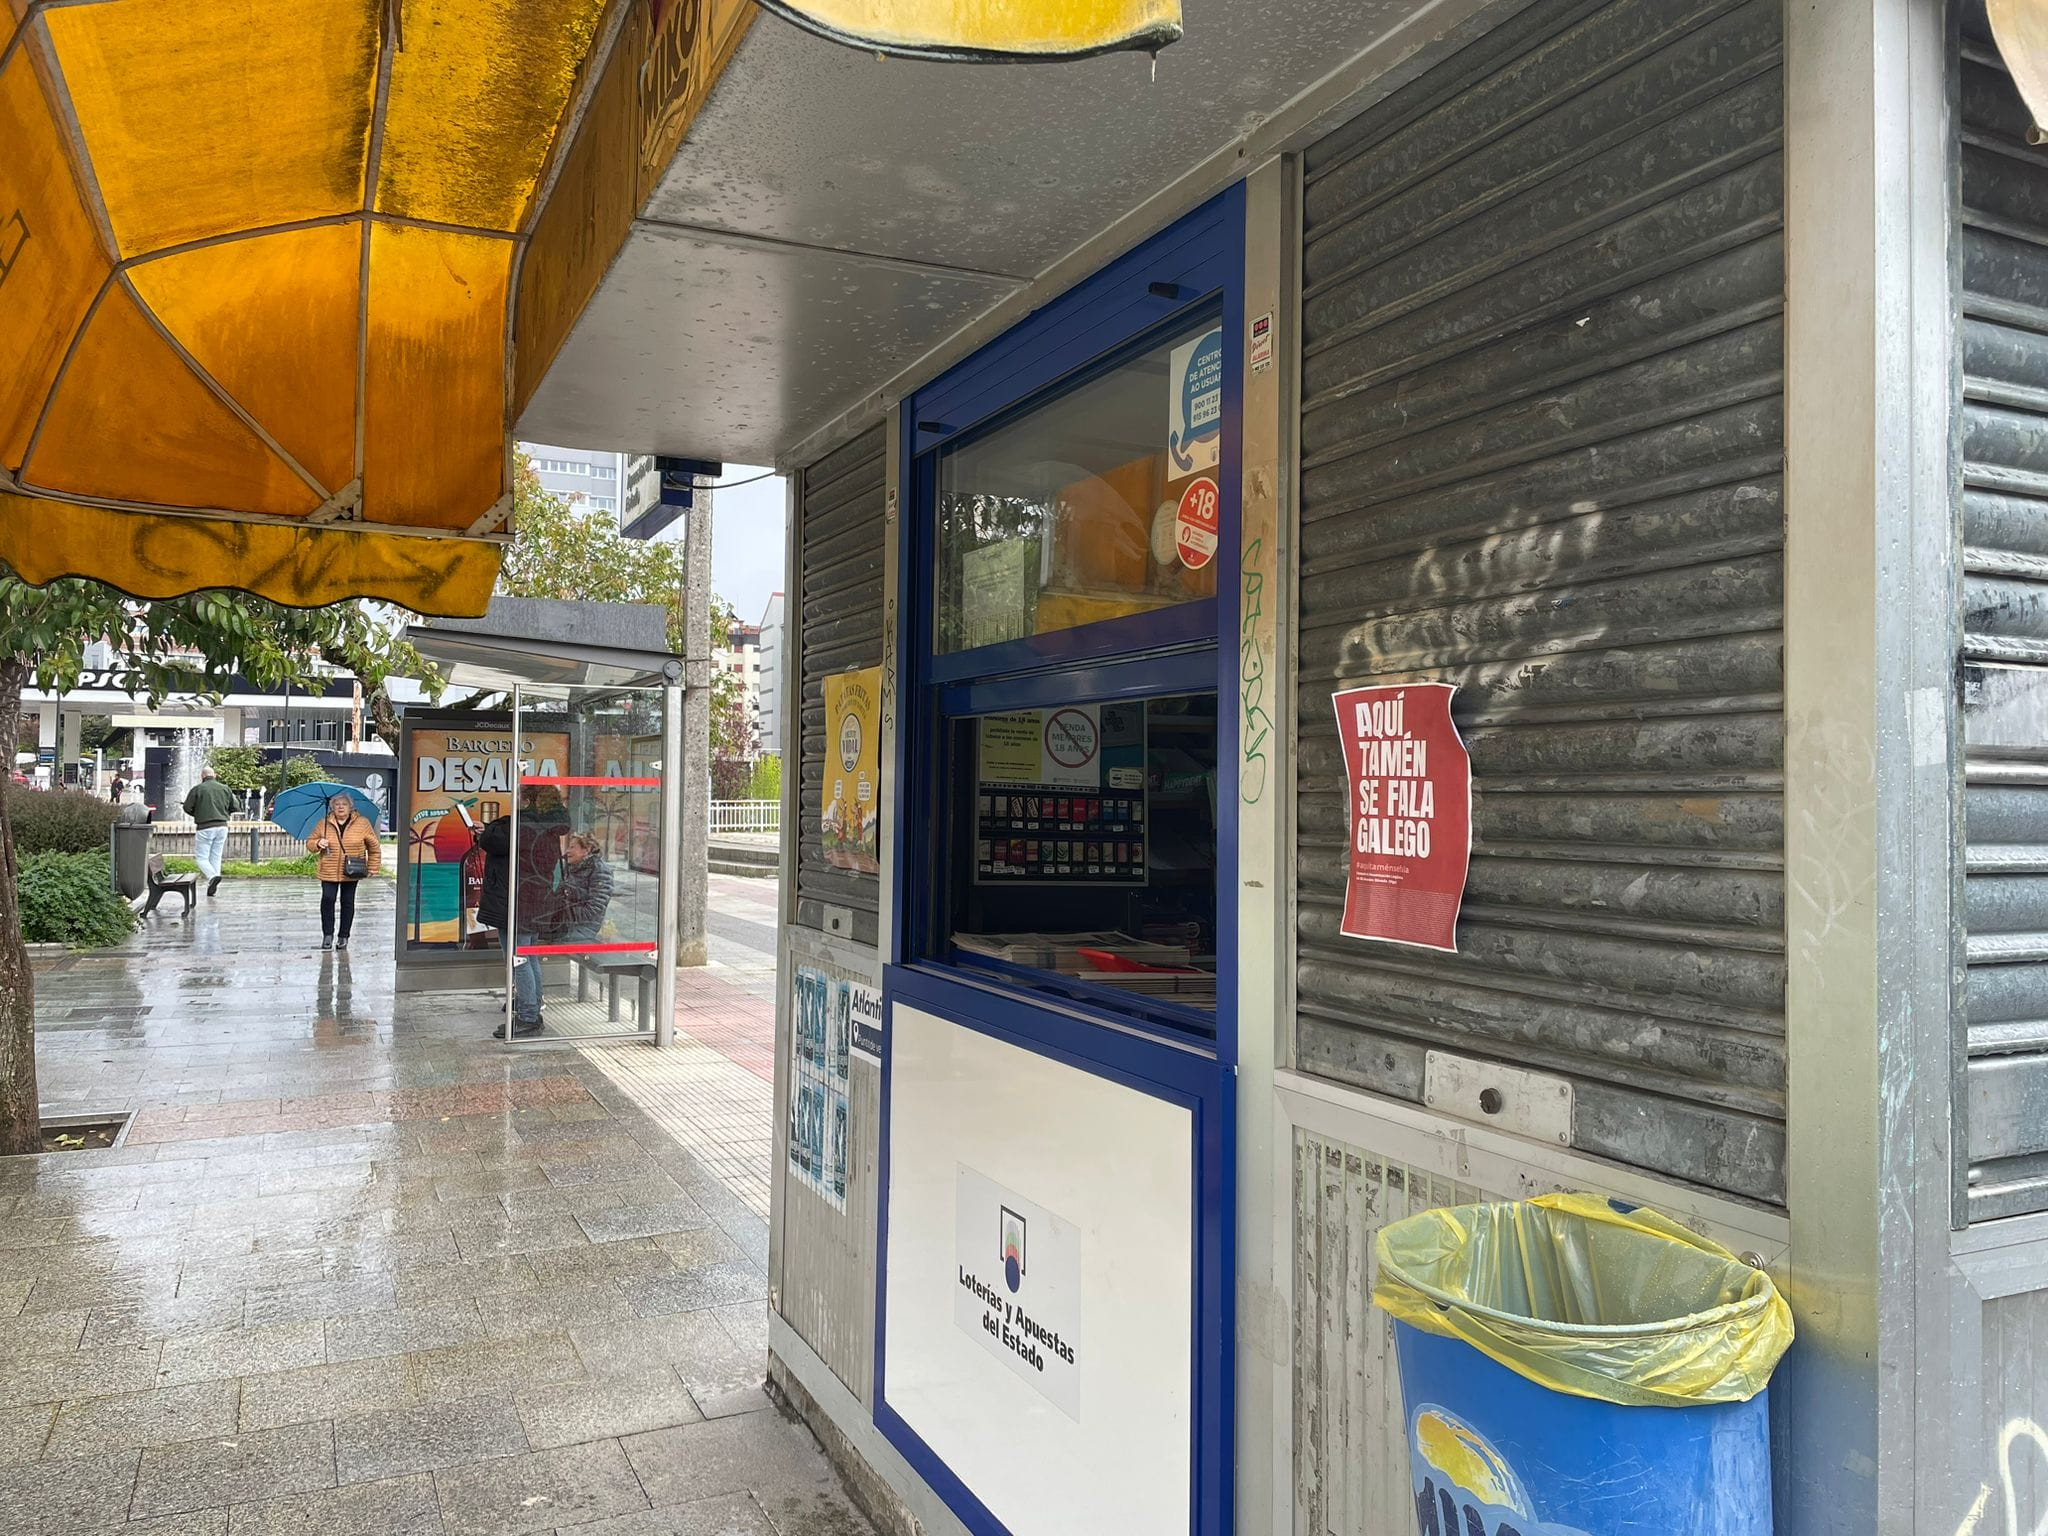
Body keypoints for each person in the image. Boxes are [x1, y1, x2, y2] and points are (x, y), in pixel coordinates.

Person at [474, 785, 569, 1038]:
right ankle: (532, 1003)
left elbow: (495, 841)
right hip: (535, 899)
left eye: (519, 797)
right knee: (528, 955)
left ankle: (529, 1016)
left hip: (518, 901)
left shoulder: (521, 826)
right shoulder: (546, 826)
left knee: (518, 958)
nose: (515, 801)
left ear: (527, 801)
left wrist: (488, 830)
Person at [309, 792, 380, 951]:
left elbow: (374, 847)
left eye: (344, 804)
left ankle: (343, 937)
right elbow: (310, 843)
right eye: (337, 804)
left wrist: (373, 866)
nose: (340, 807)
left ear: (350, 807)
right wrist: (318, 843)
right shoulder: (324, 823)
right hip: (328, 869)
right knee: (328, 899)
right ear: (332, 807)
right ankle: (327, 935)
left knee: (347, 902)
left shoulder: (362, 823)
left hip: (352, 869)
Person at [549, 832, 615, 945]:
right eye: (568, 847)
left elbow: (595, 907)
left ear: (587, 850)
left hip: (582, 927)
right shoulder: (569, 867)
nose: (567, 851)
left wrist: (565, 913)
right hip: (565, 925)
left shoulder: (599, 869)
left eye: (572, 847)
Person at [181, 765, 236, 897]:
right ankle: (213, 884)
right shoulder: (225, 788)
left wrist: (198, 813)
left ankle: (212, 877)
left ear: (202, 776)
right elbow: (235, 806)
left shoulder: (197, 789)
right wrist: (223, 812)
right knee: (215, 857)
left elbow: (187, 807)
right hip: (222, 826)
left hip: (205, 827)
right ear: (215, 775)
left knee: (201, 857)